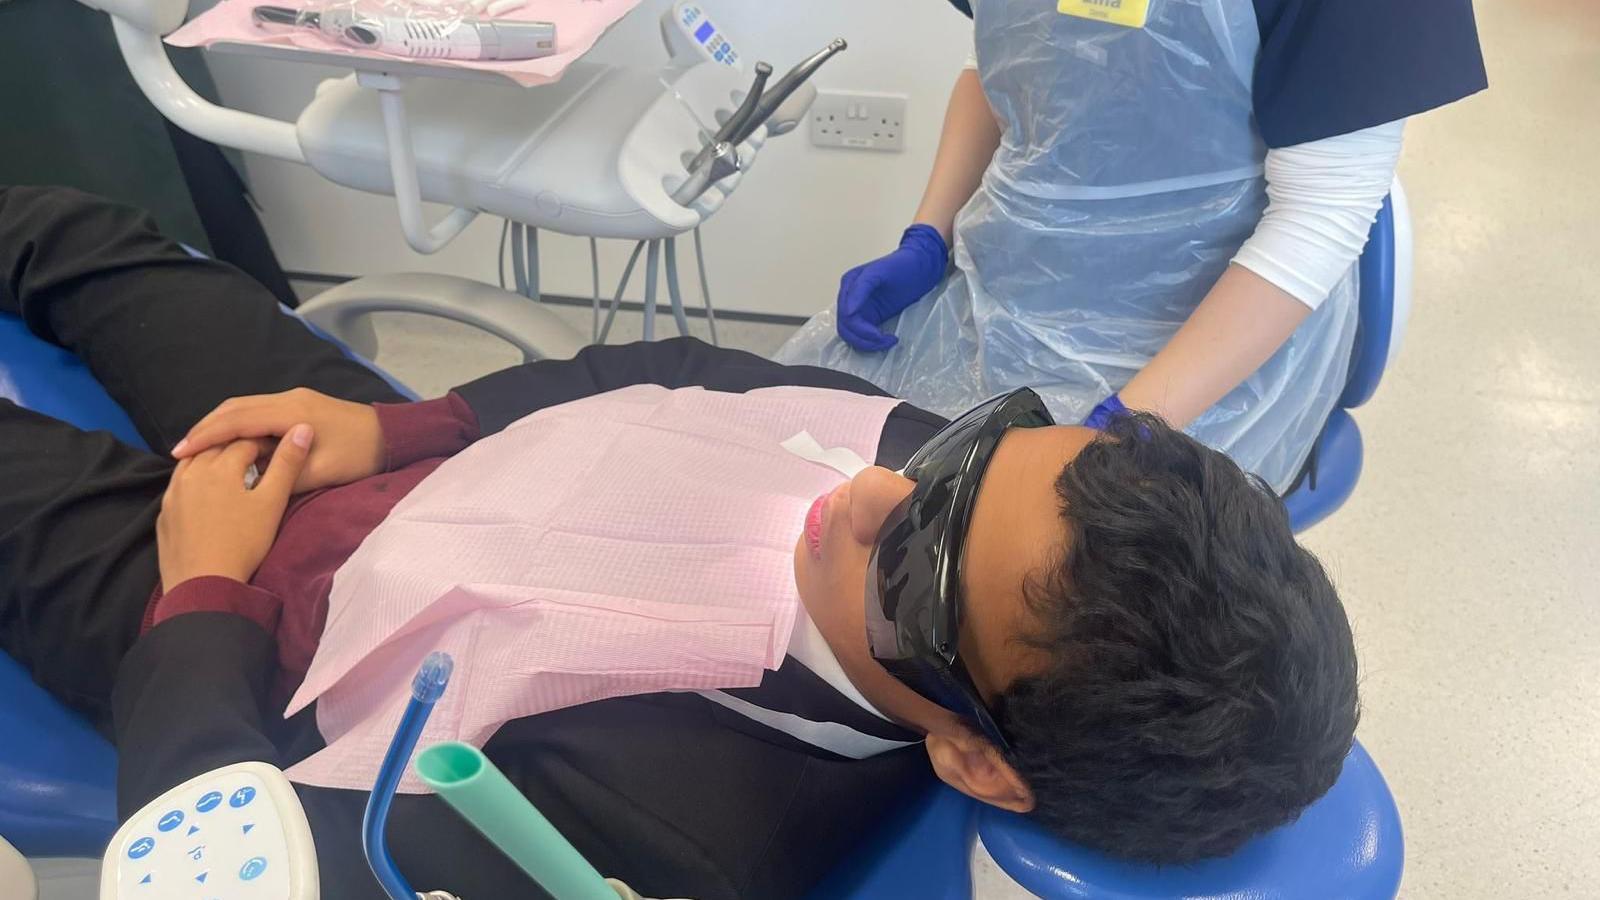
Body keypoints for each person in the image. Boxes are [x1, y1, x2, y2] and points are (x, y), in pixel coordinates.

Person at [1, 187, 1357, 899]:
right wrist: (405, 434)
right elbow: (664, 369)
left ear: (974, 758)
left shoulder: (664, 841)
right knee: (75, 237)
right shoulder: (918, 461)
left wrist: (205, 585)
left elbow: (234, 863)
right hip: (397, 460)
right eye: (971, 452)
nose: (874, 489)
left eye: (916, 568)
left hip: (243, 638)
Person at [778, 0, 1488, 492]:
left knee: (1023, 580)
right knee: (794, 449)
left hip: (1207, 343)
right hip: (1004, 286)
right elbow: (997, 70)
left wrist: (1128, 425)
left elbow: (1322, 211)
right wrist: (927, 237)